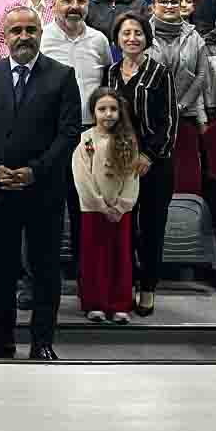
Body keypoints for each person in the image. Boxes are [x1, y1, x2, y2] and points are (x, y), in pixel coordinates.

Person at [0, 7, 82, 360]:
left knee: (45, 269)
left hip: (44, 191)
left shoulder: (62, 76)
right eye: (16, 30)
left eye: (30, 30)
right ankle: (1, 339)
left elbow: (69, 134)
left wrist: (35, 171)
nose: (24, 36)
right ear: (4, 36)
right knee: (1, 270)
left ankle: (42, 342)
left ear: (40, 32)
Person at [107, 13, 179, 318]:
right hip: (120, 164)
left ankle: (147, 288)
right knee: (123, 229)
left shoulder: (160, 73)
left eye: (138, 33)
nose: (132, 38)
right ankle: (124, 287)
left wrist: (148, 155)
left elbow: (170, 122)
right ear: (117, 38)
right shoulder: (111, 73)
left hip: (154, 165)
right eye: (126, 33)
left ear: (147, 37)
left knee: (151, 230)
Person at [39, 0, 112, 280]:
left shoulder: (99, 41)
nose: (74, 6)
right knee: (47, 210)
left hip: (88, 136)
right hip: (50, 136)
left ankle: (87, 279)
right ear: (53, 4)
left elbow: (107, 86)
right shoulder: (41, 37)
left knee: (86, 209)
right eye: (67, 0)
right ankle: (43, 279)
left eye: (80, 1)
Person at [72, 87, 141, 325]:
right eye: (102, 109)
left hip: (120, 212)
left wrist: (121, 206)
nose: (108, 114)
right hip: (93, 210)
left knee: (120, 257)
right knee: (94, 257)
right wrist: (100, 204)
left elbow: (132, 178)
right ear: (93, 112)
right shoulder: (86, 139)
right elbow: (82, 177)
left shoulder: (128, 140)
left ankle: (120, 304)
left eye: (113, 109)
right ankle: (95, 303)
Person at [148, 0, 212, 127]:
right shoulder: (141, 32)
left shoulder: (195, 36)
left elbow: (201, 75)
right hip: (149, 113)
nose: (169, 6)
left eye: (174, 2)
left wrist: (181, 105)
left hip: (186, 113)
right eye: (163, 1)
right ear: (153, 7)